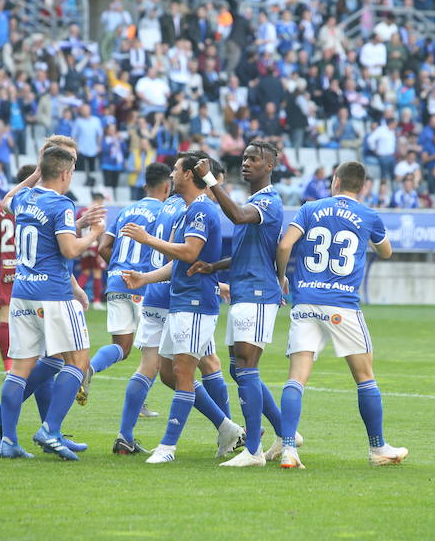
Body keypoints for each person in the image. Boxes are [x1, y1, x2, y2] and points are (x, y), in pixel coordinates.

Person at [274, 161, 408, 469]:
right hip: (342, 305)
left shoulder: (310, 208)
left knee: (296, 377)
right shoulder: (368, 216)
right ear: (362, 187)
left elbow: (284, 245)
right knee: (364, 377)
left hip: (305, 300)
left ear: (335, 181)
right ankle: (377, 449)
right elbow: (386, 252)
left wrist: (282, 278)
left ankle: (289, 449)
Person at [119, 152, 245, 464]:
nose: (172, 175)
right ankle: (228, 428)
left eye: (176, 170)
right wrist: (145, 277)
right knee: (166, 373)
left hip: (196, 303)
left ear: (189, 175)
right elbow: (178, 261)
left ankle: (168, 447)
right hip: (179, 301)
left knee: (184, 371)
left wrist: (147, 238)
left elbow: (190, 252)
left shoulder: (202, 209)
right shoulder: (189, 210)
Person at [0, 145, 107, 460]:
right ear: (66, 173)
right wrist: (94, 233)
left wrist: (35, 176)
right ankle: (50, 429)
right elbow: (68, 250)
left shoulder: (26, 198)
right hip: (52, 295)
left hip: (22, 292)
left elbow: (5, 201)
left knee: (21, 368)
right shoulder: (61, 203)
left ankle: (9, 440)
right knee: (78, 361)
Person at [187, 141, 302, 466]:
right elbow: (247, 252)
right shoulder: (255, 200)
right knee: (239, 369)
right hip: (243, 290)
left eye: (255, 159)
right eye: (245, 157)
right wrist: (213, 267)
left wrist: (212, 182)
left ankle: (253, 451)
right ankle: (283, 432)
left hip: (256, 293)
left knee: (247, 367)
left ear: (270, 166)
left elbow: (237, 216)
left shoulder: (268, 200)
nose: (246, 163)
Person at [75, 163, 172, 406]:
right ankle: (139, 404)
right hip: (145, 285)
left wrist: (119, 268)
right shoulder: (166, 212)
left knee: (122, 347)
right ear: (167, 187)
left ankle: (89, 368)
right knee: (154, 352)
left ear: (144, 186)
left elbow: (103, 247)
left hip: (117, 282)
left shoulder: (126, 210)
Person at [0, 164, 36, 372]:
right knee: (36, 316)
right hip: (30, 266)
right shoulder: (33, 204)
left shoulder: (2, 207)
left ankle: (9, 367)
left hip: (7, 265)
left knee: (6, 316)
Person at [76, 193, 107, 310]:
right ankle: (97, 301)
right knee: (97, 273)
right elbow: (100, 232)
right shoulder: (98, 212)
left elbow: (76, 228)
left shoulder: (82, 211)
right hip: (93, 245)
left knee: (86, 272)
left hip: (83, 244)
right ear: (99, 201)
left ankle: (75, 298)